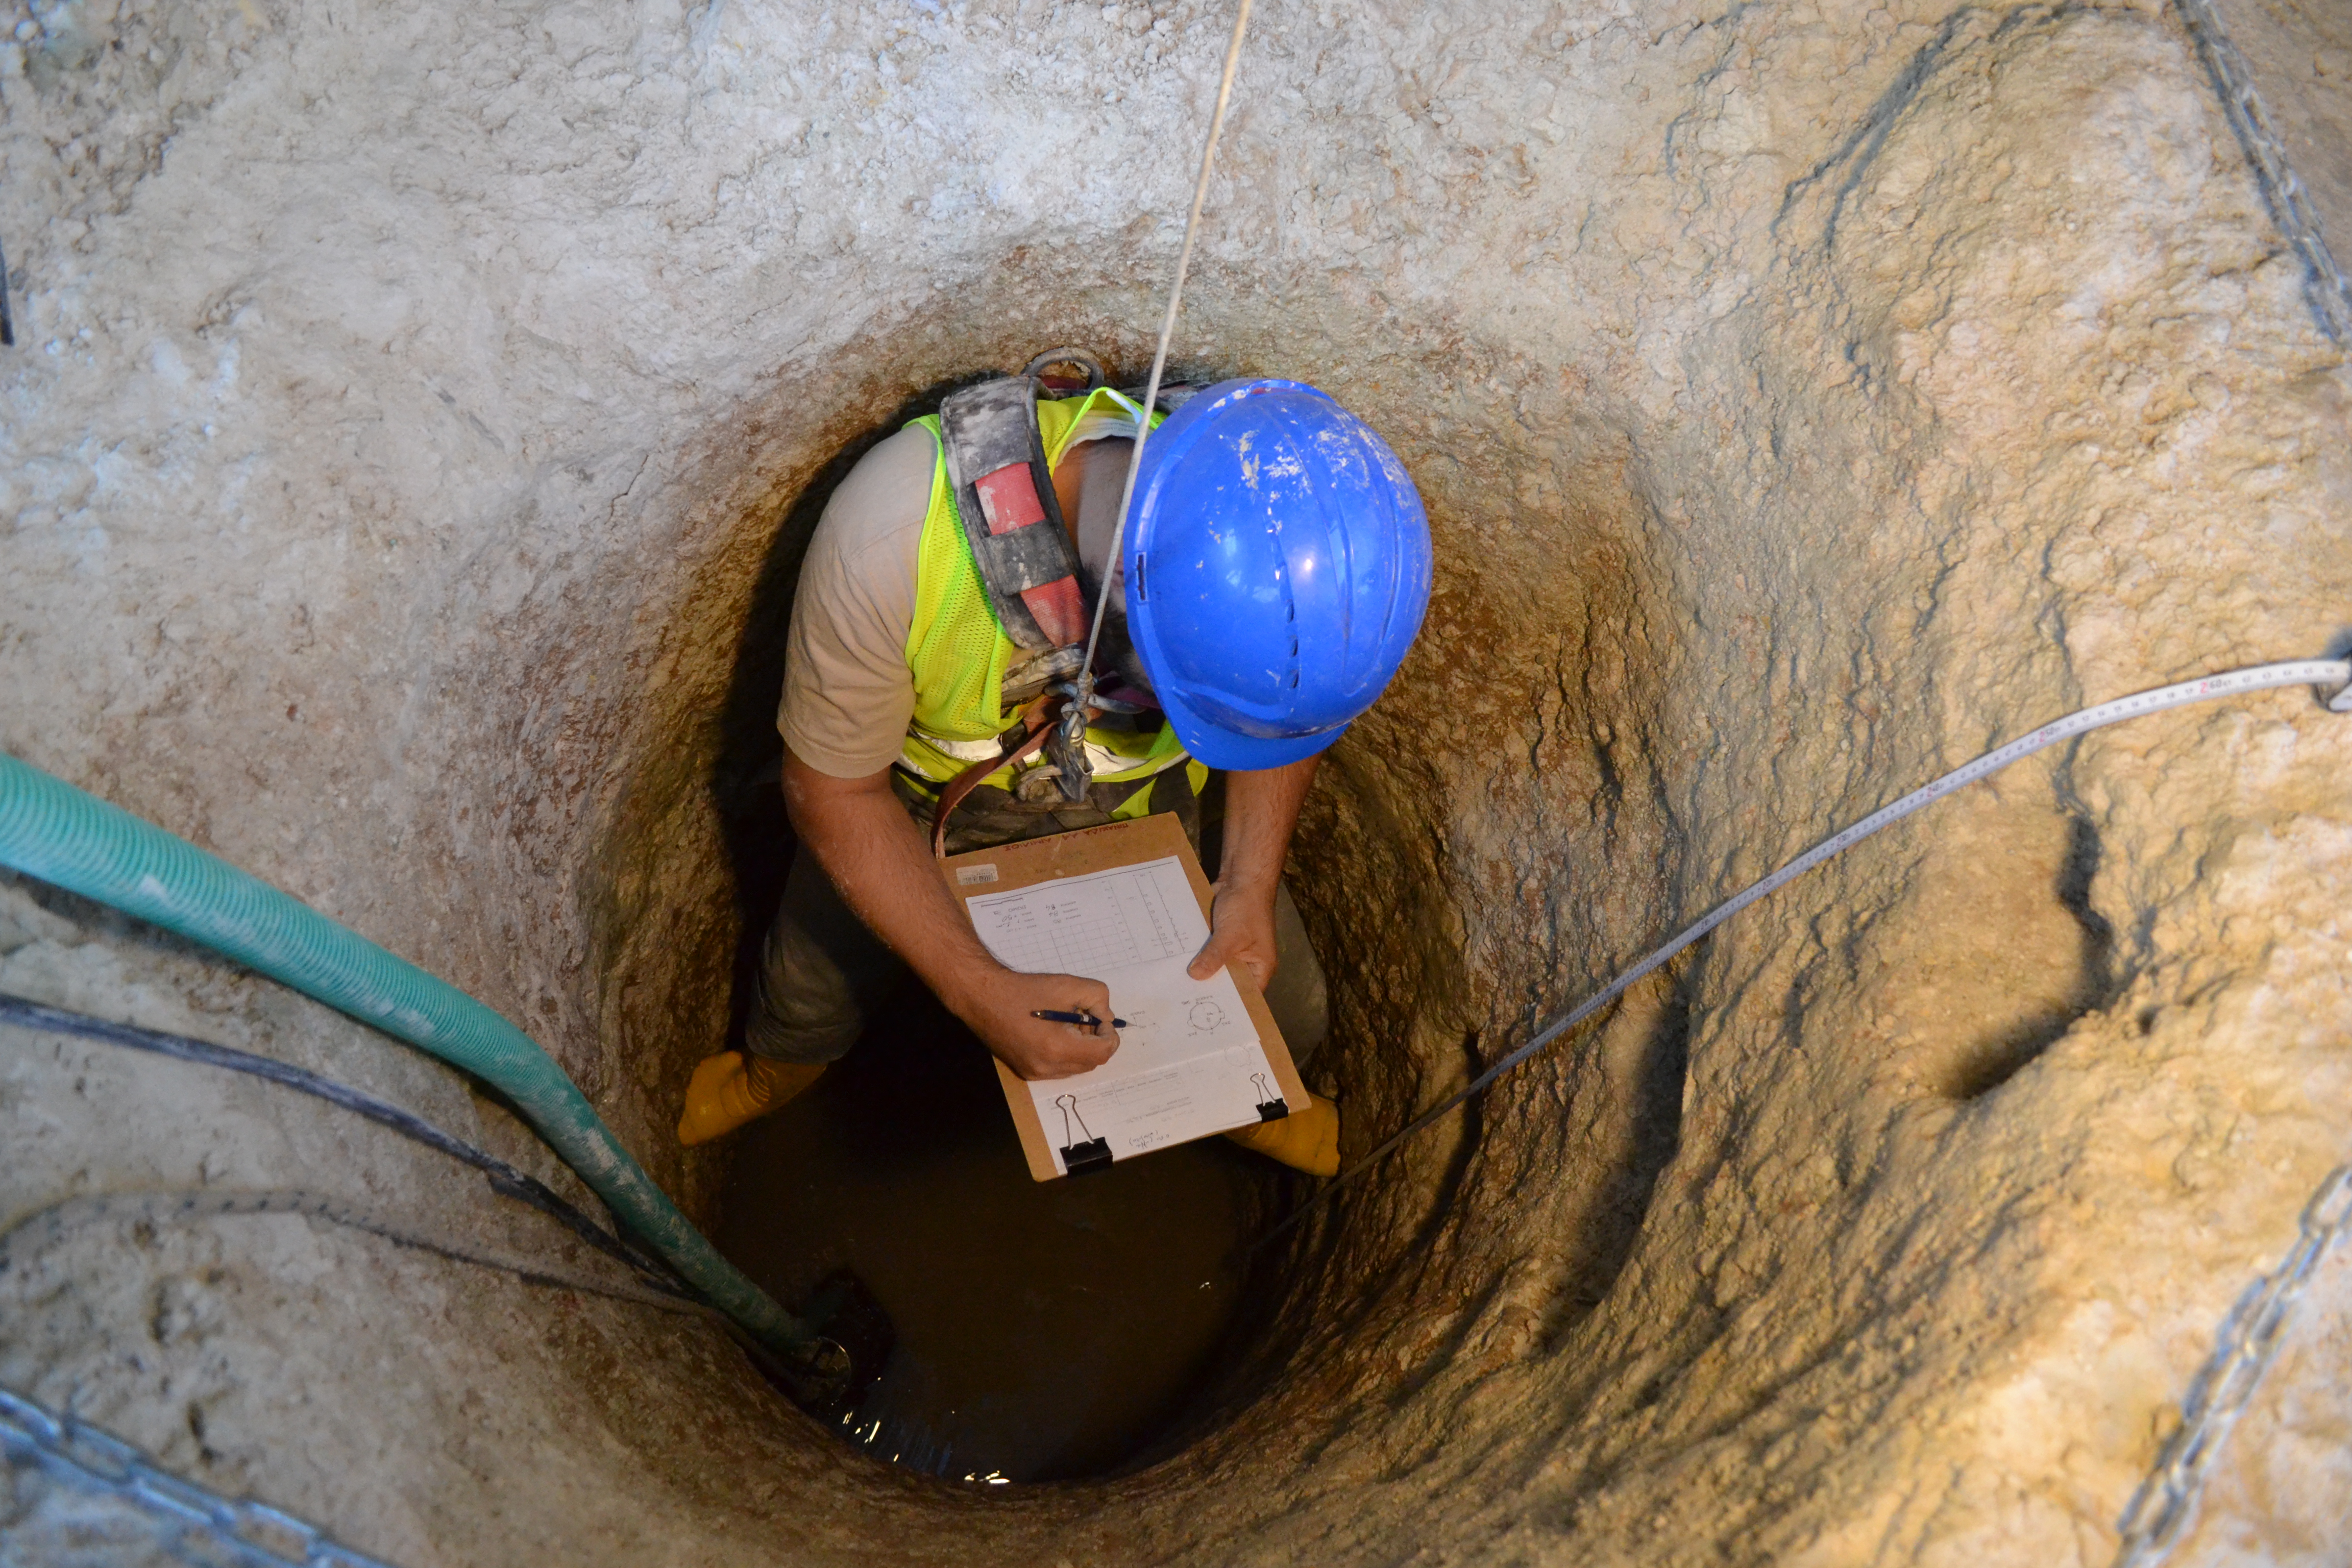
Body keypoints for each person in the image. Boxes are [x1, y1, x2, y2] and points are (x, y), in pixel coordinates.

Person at [677, 359, 1431, 1176]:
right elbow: (834, 790)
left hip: (1146, 797)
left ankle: (1247, 1112)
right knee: (809, 990)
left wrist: (1248, 883)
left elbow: (1290, 718)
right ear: (1120, 618)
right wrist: (975, 993)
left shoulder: (1316, 524)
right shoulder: (896, 535)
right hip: (920, 804)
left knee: (1288, 1009)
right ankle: (774, 1075)